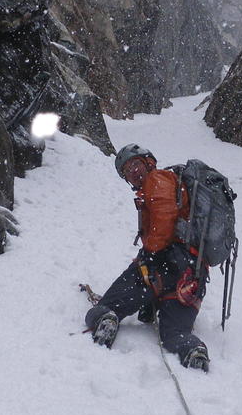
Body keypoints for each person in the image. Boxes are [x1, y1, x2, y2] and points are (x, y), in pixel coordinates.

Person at [85, 144, 211, 371]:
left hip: (165, 265)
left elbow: (164, 221)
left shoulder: (158, 179)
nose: (132, 172)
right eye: (126, 171)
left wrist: (149, 254)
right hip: (192, 277)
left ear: (149, 162)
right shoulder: (169, 183)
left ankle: (106, 320)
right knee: (175, 334)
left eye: (135, 164)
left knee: (104, 307)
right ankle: (192, 350)